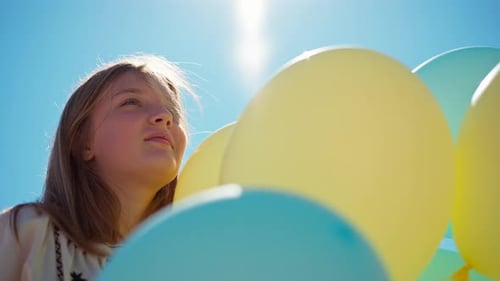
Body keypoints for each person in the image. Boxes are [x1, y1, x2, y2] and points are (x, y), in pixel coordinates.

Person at [0, 54, 195, 281]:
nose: (165, 116)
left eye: (173, 110)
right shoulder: (27, 232)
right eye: (131, 102)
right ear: (83, 142)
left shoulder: (196, 258)